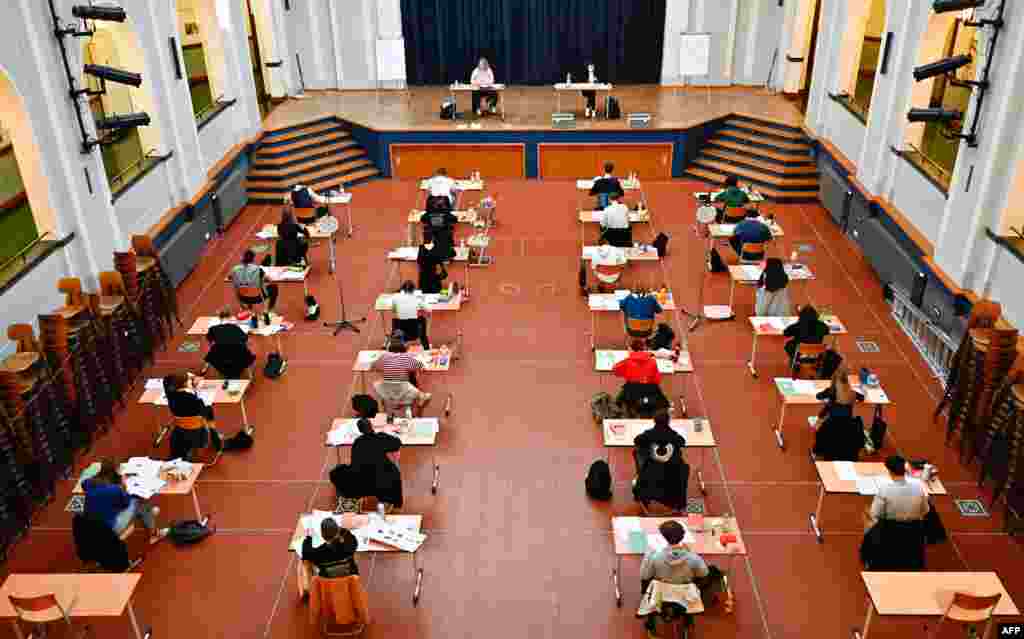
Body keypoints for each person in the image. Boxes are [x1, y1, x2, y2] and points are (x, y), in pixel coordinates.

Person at [639, 521, 724, 637]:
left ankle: (651, 620)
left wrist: (645, 590)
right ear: (682, 536)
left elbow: (644, 576)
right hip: (685, 596)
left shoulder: (654, 556)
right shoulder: (694, 558)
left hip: (660, 594)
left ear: (664, 537)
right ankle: (687, 618)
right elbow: (704, 575)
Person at [82, 459, 167, 544]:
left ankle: (147, 514)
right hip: (111, 528)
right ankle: (154, 532)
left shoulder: (89, 483)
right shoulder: (115, 490)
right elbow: (125, 503)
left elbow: (84, 483)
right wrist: (124, 484)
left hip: (90, 526)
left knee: (139, 506)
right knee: (140, 501)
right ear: (116, 474)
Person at [298, 517, 360, 597]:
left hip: (328, 580)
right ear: (337, 532)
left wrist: (309, 537)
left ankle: (306, 588)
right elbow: (350, 536)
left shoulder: (317, 553)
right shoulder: (350, 545)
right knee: (354, 555)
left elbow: (306, 553)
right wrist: (340, 529)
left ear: (322, 535)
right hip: (349, 577)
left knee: (304, 562)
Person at [371, 336, 432, 416]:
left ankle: (390, 405)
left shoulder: (384, 356)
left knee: (378, 383)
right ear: (404, 350)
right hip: (404, 390)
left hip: (386, 391)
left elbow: (373, 366)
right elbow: (421, 367)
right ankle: (417, 410)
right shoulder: (406, 357)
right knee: (425, 396)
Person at [351, 417, 403, 509]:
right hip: (382, 476)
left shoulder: (357, 443)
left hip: (363, 477)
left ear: (360, 430)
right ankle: (394, 502)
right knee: (395, 472)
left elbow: (354, 461)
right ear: (371, 426)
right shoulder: (380, 437)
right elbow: (397, 443)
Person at [865, 455, 930, 529]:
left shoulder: (884, 490)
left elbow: (875, 513)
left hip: (889, 530)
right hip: (914, 532)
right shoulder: (919, 487)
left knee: (867, 517)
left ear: (889, 471)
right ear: (905, 469)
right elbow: (925, 510)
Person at [163, 372, 216, 461]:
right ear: (184, 384)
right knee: (209, 410)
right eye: (189, 381)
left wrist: (190, 382)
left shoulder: (170, 396)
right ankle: (214, 438)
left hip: (180, 432)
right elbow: (203, 411)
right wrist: (194, 391)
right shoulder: (192, 399)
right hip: (198, 434)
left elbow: (167, 381)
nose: (190, 381)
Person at [614, 340, 668, 418]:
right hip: (648, 393)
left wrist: (626, 373)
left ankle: (618, 406)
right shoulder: (652, 362)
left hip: (631, 393)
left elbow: (615, 370)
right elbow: (657, 380)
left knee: (624, 390)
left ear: (631, 349)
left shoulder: (627, 362)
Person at [200, 308, 256, 380]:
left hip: (221, 363)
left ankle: (205, 368)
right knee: (245, 350)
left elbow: (210, 342)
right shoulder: (235, 328)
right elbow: (247, 341)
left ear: (219, 317)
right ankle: (250, 375)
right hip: (238, 362)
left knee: (212, 350)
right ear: (230, 317)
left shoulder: (213, 328)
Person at [230, 250, 277, 316]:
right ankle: (269, 309)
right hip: (257, 297)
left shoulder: (234, 269)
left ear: (242, 258)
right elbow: (269, 280)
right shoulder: (258, 269)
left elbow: (233, 282)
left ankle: (249, 307)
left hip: (243, 298)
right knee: (274, 287)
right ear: (253, 259)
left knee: (246, 286)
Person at [391, 280, 430, 349]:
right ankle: (426, 347)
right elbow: (428, 310)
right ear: (413, 290)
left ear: (402, 289)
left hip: (401, 330)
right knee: (422, 319)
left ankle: (395, 346)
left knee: (395, 320)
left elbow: (393, 310)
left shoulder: (395, 297)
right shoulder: (417, 298)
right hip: (414, 333)